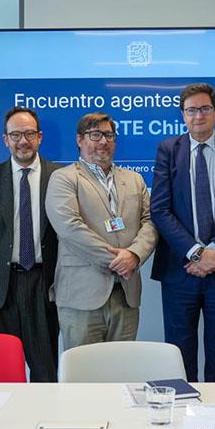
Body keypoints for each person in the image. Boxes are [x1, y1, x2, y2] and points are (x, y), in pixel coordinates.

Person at [150, 82, 215, 383]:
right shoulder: (168, 150)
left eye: (205, 109)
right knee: (179, 355)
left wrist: (214, 250)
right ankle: (182, 415)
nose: (198, 116)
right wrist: (196, 252)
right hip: (179, 270)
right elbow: (160, 209)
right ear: (183, 114)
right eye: (192, 110)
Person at [0, 107, 61, 382]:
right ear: (5, 140)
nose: (23, 141)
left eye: (29, 133)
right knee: (2, 370)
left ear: (40, 137)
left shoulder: (61, 176)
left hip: (45, 284)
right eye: (15, 134)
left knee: (46, 369)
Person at [46, 112, 157, 349]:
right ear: (79, 140)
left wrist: (134, 255)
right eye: (95, 135)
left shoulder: (135, 179)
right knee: (83, 377)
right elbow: (69, 227)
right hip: (81, 296)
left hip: (125, 296)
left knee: (121, 372)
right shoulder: (63, 178)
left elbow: (151, 222)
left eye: (109, 135)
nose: (103, 141)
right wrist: (119, 260)